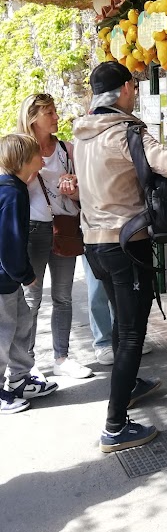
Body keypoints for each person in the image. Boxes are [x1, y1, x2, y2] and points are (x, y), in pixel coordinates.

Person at [72, 61, 167, 453]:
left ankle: (130, 382)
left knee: (123, 322)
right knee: (132, 333)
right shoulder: (126, 131)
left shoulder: (82, 133)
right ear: (123, 89)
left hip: (94, 245)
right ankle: (115, 425)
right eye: (133, 87)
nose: (135, 92)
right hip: (126, 244)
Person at [17, 93, 93, 380]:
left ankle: (62, 357)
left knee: (63, 297)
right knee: (31, 298)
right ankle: (28, 362)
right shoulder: (20, 148)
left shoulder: (66, 149)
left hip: (65, 227)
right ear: (33, 117)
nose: (56, 117)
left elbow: (83, 188)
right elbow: (10, 187)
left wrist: (73, 187)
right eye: (50, 113)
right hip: (33, 229)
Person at [0, 134, 58, 413]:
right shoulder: (11, 193)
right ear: (24, 160)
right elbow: (9, 242)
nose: (42, 158)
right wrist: (24, 274)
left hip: (8, 279)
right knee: (3, 333)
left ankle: (20, 378)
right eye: (37, 154)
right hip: (4, 280)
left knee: (21, 323)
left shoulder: (16, 188)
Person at [83, 256, 153, 366]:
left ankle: (123, 338)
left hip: (116, 243)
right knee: (97, 291)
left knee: (121, 290)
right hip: (93, 243)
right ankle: (103, 343)